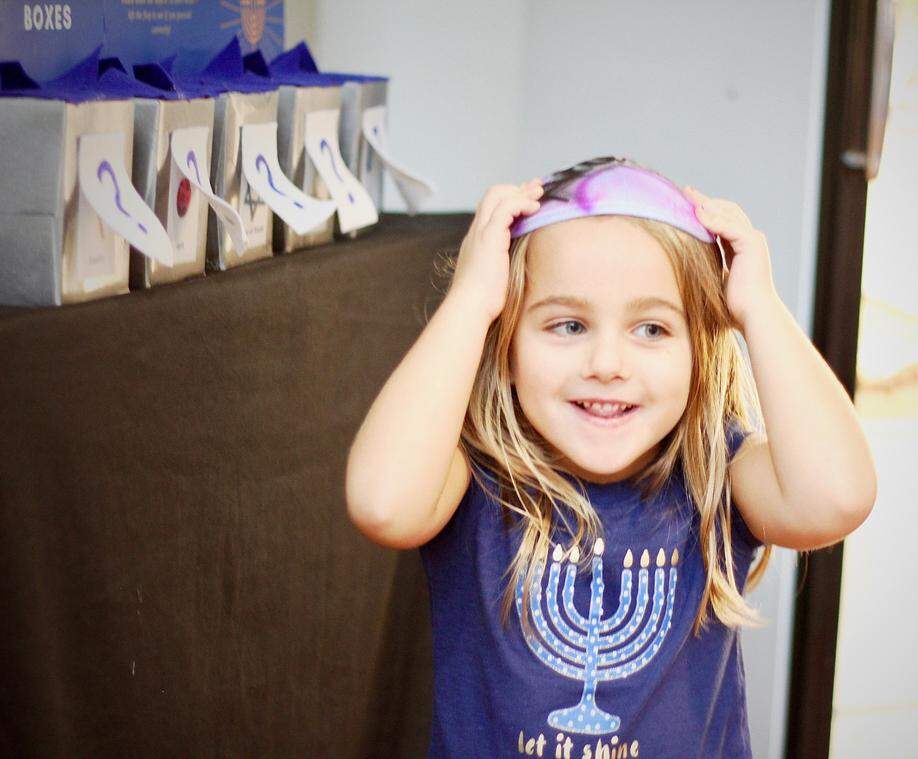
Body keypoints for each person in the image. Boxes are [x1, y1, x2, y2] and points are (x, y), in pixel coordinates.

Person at [345, 156, 877, 757]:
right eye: (568, 325)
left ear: (702, 348)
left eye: (651, 329)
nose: (607, 363)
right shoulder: (474, 475)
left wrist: (760, 309)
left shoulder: (718, 476)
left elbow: (837, 497)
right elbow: (382, 504)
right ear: (507, 340)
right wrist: (470, 301)